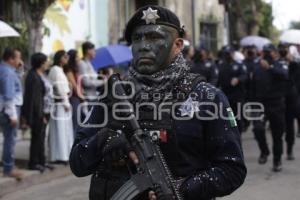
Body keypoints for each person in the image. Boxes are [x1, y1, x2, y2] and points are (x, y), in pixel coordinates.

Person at [70, 6, 246, 200]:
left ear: (178, 44)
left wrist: (184, 189)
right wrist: (105, 139)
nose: (144, 45)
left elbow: (232, 169)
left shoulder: (206, 97)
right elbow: (77, 162)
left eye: (154, 37)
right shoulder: (113, 95)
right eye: (137, 39)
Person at [251, 44, 288, 172]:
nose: (267, 54)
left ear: (275, 53)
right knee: (257, 129)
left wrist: (271, 67)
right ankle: (264, 151)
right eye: (265, 51)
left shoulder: (280, 64)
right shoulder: (257, 66)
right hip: (260, 104)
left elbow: (285, 75)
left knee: (277, 135)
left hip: (276, 104)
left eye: (269, 52)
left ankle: (277, 161)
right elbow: (252, 85)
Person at [22, 53, 51, 172]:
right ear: (40, 63)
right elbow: (34, 99)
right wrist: (41, 115)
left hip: (44, 110)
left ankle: (42, 161)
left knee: (41, 137)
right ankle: (33, 162)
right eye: (45, 61)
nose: (47, 63)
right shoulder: (33, 76)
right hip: (38, 112)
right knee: (37, 137)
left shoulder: (41, 74)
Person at [0, 47, 24, 180]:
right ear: (11, 59)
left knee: (9, 138)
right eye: (18, 58)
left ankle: (9, 166)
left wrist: (19, 69)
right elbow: (8, 95)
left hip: (6, 109)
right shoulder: (7, 72)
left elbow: (16, 80)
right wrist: (13, 115)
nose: (20, 60)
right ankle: (8, 168)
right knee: (10, 139)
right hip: (10, 109)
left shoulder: (6, 70)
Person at [48, 50, 74, 164]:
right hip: (60, 104)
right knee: (61, 130)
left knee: (62, 130)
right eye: (65, 56)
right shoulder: (56, 70)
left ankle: (62, 155)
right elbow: (59, 88)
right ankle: (62, 156)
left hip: (61, 103)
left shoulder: (58, 70)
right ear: (60, 58)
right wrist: (66, 102)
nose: (67, 58)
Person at [218, 46, 248, 133]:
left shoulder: (239, 65)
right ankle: (234, 132)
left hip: (238, 96)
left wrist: (238, 79)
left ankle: (240, 131)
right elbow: (218, 79)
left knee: (239, 116)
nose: (228, 56)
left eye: (229, 54)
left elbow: (245, 76)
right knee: (230, 118)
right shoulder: (221, 66)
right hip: (227, 96)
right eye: (226, 54)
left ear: (233, 54)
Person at [278, 43, 299, 160]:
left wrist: (290, 63)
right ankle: (278, 154)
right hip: (278, 101)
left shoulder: (294, 65)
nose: (283, 52)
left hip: (291, 100)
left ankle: (289, 150)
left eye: (285, 50)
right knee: (279, 129)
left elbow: (293, 80)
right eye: (281, 50)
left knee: (290, 127)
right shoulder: (276, 64)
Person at [65, 49, 85, 136]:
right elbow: (74, 85)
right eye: (77, 56)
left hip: (78, 98)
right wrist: (81, 96)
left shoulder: (75, 70)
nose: (78, 58)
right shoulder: (69, 70)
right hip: (74, 98)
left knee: (79, 122)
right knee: (75, 123)